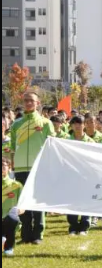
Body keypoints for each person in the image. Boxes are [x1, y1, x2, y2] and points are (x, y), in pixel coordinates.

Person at [9, 91, 55, 245]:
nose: (28, 103)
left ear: (38, 103)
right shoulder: (16, 124)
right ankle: (26, 235)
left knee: (37, 202)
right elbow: (13, 148)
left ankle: (38, 235)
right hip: (21, 168)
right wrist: (13, 166)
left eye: (31, 101)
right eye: (26, 100)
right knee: (23, 202)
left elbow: (52, 146)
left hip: (38, 167)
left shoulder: (45, 123)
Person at [66, 115, 95, 236]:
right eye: (75, 124)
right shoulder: (66, 141)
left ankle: (84, 227)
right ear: (71, 126)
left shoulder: (90, 142)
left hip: (86, 176)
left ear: (85, 125)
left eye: (80, 123)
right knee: (72, 201)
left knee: (86, 200)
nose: (77, 126)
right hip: (71, 175)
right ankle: (73, 227)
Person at [2, 157, 23, 256]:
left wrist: (17, 211)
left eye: (3, 165)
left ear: (9, 167)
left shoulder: (16, 185)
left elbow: (23, 204)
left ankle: (8, 247)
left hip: (10, 213)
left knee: (12, 219)